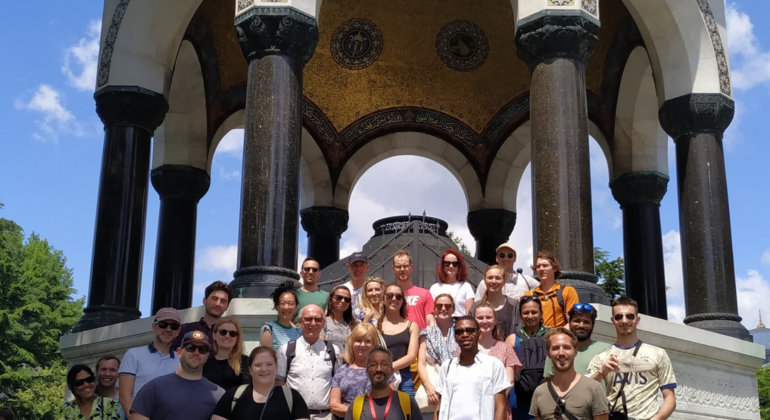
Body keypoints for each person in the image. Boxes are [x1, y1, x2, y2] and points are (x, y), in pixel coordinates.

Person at [586, 298, 677, 420]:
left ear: (637, 320)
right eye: (619, 317)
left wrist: (658, 418)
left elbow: (670, 397)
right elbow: (584, 391)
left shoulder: (658, 354)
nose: (624, 321)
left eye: (630, 316)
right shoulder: (602, 357)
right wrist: (601, 372)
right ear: (613, 320)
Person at [129, 331, 224, 420]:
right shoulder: (155, 388)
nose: (196, 352)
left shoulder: (219, 394)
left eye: (202, 349)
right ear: (179, 352)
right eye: (190, 347)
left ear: (206, 357)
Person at [433, 316, 509, 420]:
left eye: (470, 330)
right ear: (455, 337)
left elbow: (500, 407)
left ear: (479, 333)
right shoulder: (447, 366)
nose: (464, 334)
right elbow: (440, 406)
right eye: (459, 331)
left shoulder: (494, 365)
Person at [277, 304, 342, 420]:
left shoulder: (333, 351)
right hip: (295, 415)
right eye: (308, 319)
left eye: (318, 320)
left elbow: (338, 385)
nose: (313, 323)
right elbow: (278, 384)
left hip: (325, 416)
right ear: (300, 322)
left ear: (323, 323)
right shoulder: (286, 350)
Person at [529, 328, 609, 420]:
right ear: (548, 353)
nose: (561, 353)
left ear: (575, 352)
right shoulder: (540, 392)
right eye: (555, 348)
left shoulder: (594, 389)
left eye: (566, 347)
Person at [212, 346, 310, 420]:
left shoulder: (292, 397)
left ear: (276, 368)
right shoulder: (233, 396)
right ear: (250, 370)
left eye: (269, 364)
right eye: (258, 365)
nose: (264, 369)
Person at [118, 307, 182, 416]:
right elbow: (125, 396)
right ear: (154, 327)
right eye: (163, 324)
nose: (168, 329)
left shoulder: (181, 360)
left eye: (174, 326)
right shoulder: (133, 354)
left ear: (178, 331)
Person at [331, 323, 394, 418]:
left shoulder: (382, 370)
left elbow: (390, 401)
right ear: (352, 343)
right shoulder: (341, 371)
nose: (362, 345)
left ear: (374, 344)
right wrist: (359, 413)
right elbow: (334, 405)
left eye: (367, 341)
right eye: (358, 341)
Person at [344, 347, 421, 420]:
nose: (379, 369)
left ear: (391, 371)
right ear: (367, 371)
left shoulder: (407, 402)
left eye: (384, 364)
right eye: (373, 364)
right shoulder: (356, 406)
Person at [543, 304, 608, 385]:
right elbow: (549, 382)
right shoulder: (557, 350)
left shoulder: (606, 349)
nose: (581, 325)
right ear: (569, 323)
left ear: (593, 325)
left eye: (586, 322)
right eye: (577, 321)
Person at [507, 296, 548, 420]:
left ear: (541, 313)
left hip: (546, 394)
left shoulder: (553, 335)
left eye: (534, 312)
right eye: (526, 313)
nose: (530, 316)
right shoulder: (512, 339)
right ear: (520, 315)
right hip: (518, 396)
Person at [416, 295, 458, 415]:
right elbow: (421, 364)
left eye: (448, 306)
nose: (443, 308)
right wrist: (428, 386)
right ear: (434, 309)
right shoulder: (425, 334)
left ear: (453, 309)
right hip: (433, 388)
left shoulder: (461, 331)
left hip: (456, 386)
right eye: (439, 306)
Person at [379, 283, 420, 397]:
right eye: (390, 295)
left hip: (404, 377)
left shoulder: (412, 325)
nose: (394, 299)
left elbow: (411, 356)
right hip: (379, 376)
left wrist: (389, 367)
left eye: (398, 296)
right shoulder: (375, 325)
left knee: (408, 412)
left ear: (403, 301)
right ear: (383, 299)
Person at [474, 303, 522, 397]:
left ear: (495, 320)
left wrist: (494, 403)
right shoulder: (466, 348)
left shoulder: (506, 348)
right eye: (480, 318)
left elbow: (510, 381)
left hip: (498, 406)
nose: (484, 321)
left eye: (488, 317)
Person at [524, 252, 578, 328]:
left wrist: (556, 335)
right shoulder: (529, 294)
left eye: (545, 265)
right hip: (536, 337)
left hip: (559, 336)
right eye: (538, 266)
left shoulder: (567, 291)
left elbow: (572, 322)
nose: (541, 269)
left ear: (555, 268)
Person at [174, 281, 234, 350]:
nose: (218, 304)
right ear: (204, 301)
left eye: (223, 301)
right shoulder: (185, 329)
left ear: (227, 306)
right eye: (214, 299)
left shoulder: (229, 335)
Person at [470, 265, 520, 337]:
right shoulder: (475, 306)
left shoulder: (514, 305)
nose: (493, 281)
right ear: (484, 280)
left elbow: (519, 331)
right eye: (490, 278)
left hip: (509, 347)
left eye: (498, 278)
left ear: (504, 280)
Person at [203, 316, 251, 389]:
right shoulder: (205, 362)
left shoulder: (245, 362)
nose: (227, 336)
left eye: (232, 333)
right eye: (223, 332)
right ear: (214, 335)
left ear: (237, 338)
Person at [392, 250, 435, 329]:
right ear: (393, 269)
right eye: (398, 266)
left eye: (405, 266)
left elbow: (430, 321)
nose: (402, 269)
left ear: (411, 267)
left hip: (420, 339)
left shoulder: (425, 293)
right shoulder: (389, 296)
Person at [429, 249, 475, 317]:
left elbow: (469, 313)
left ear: (459, 266)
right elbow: (431, 311)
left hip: (460, 324)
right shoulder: (434, 288)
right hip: (440, 323)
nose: (451, 266)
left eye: (455, 264)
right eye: (447, 263)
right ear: (443, 265)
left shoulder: (466, 286)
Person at [261, 280, 302, 352]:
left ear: (296, 306)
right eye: (283, 303)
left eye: (290, 303)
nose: (286, 307)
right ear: (277, 306)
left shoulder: (298, 332)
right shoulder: (269, 329)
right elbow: (267, 358)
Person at [321, 285, 355, 354]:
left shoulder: (353, 325)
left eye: (347, 299)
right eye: (338, 297)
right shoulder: (322, 322)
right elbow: (321, 346)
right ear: (330, 299)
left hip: (350, 363)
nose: (343, 301)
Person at [296, 258, 330, 322]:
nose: (311, 272)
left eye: (314, 269)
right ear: (301, 273)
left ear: (319, 274)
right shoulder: (294, 295)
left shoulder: (327, 296)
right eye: (307, 269)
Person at [344, 252, 369, 322]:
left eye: (362, 265)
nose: (358, 268)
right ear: (348, 267)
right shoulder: (342, 289)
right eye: (354, 265)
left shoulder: (372, 289)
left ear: (367, 267)